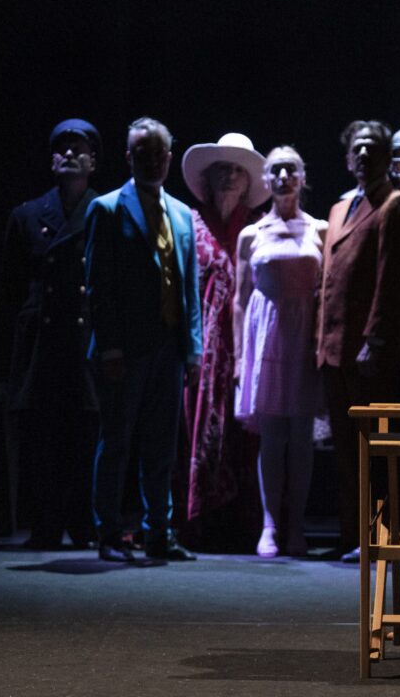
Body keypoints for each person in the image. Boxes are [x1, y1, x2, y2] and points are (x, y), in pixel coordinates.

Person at [85, 117, 202, 562]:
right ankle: (109, 533)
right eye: (142, 154)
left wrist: (193, 349)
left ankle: (159, 532)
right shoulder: (107, 209)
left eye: (158, 154)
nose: (152, 161)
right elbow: (99, 287)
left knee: (161, 446)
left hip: (168, 348)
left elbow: (188, 287)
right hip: (126, 349)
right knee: (117, 442)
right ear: (128, 157)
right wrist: (110, 347)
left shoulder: (182, 214)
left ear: (169, 158)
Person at [317, 120, 400, 562]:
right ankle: (351, 534)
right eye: (356, 148)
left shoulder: (396, 206)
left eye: (372, 148)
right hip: (333, 347)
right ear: (346, 158)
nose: (363, 154)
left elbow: (390, 282)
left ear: (387, 157)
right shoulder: (340, 208)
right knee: (344, 448)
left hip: (366, 350)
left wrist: (375, 341)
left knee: (373, 448)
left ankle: (379, 534)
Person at [3, 118, 101, 550]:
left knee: (84, 434)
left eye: (79, 148)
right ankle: (44, 525)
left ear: (93, 162)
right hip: (42, 341)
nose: (70, 154)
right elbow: (10, 283)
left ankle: (82, 524)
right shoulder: (26, 215)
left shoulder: (105, 213)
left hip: (85, 339)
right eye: (62, 148)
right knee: (42, 436)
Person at [233, 146, 326, 558]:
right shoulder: (251, 234)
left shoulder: (320, 229)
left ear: (302, 177)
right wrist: (240, 357)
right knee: (272, 435)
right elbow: (239, 300)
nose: (284, 176)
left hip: (304, 336)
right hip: (267, 335)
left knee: (302, 436)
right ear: (266, 180)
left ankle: (297, 525)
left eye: (291, 169)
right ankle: (270, 523)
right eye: (276, 170)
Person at [180, 133, 270, 552]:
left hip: (248, 343)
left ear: (248, 181)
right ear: (209, 178)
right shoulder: (190, 223)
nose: (230, 176)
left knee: (246, 433)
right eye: (222, 169)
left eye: (238, 170)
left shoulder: (261, 226)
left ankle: (245, 524)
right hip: (203, 346)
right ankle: (201, 522)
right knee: (198, 428)